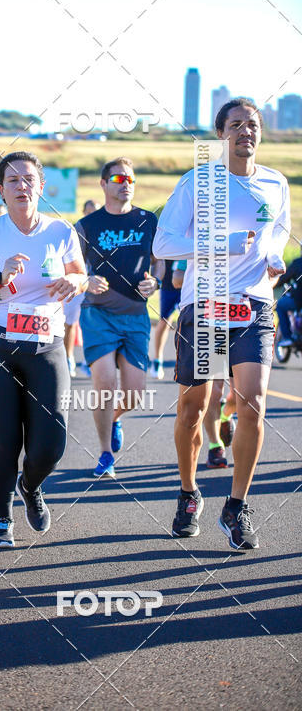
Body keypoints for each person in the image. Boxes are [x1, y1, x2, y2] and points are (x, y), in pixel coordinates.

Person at [153, 97, 290, 550]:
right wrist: (224, 241)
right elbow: (165, 242)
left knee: (251, 403)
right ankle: (189, 494)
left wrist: (273, 258)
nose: (245, 132)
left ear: (259, 133)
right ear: (220, 135)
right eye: (235, 125)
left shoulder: (276, 183)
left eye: (252, 125)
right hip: (207, 305)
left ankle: (236, 506)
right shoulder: (199, 182)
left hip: (253, 306)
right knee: (194, 408)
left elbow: (277, 234)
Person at [0, 151, 86, 548]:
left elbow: (81, 275)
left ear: (41, 187)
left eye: (28, 179)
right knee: (3, 443)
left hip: (47, 346)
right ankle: (2, 517)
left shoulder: (61, 232)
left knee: (51, 444)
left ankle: (31, 485)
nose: (21, 186)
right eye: (12, 181)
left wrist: (74, 283)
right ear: (1, 189)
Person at [75, 158, 163, 479]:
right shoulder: (87, 225)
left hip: (136, 314)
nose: (125, 182)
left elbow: (160, 261)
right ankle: (105, 454)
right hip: (98, 313)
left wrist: (156, 281)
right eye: (117, 177)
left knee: (135, 393)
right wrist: (86, 280)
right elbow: (71, 268)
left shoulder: (147, 220)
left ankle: (114, 418)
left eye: (130, 178)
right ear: (103, 184)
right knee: (105, 383)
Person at [172, 261, 235, 468]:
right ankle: (215, 445)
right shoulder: (205, 236)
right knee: (214, 391)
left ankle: (225, 414)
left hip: (244, 319)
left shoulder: (252, 233)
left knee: (241, 395)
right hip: (212, 319)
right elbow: (177, 279)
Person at [65, 200, 100, 377]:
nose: (92, 215)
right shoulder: (77, 231)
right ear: (83, 212)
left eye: (95, 212)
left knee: (91, 322)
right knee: (70, 322)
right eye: (89, 212)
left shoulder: (105, 231)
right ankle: (68, 357)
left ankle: (88, 361)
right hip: (79, 281)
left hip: (96, 285)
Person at [150, 257, 181, 379]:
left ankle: (191, 362)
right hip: (169, 281)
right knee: (165, 320)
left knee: (194, 321)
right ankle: (157, 360)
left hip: (190, 281)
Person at [275, 248, 302, 347]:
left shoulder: (298, 263)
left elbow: (284, 278)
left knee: (281, 305)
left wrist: (274, 284)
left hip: (298, 301)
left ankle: (287, 337)